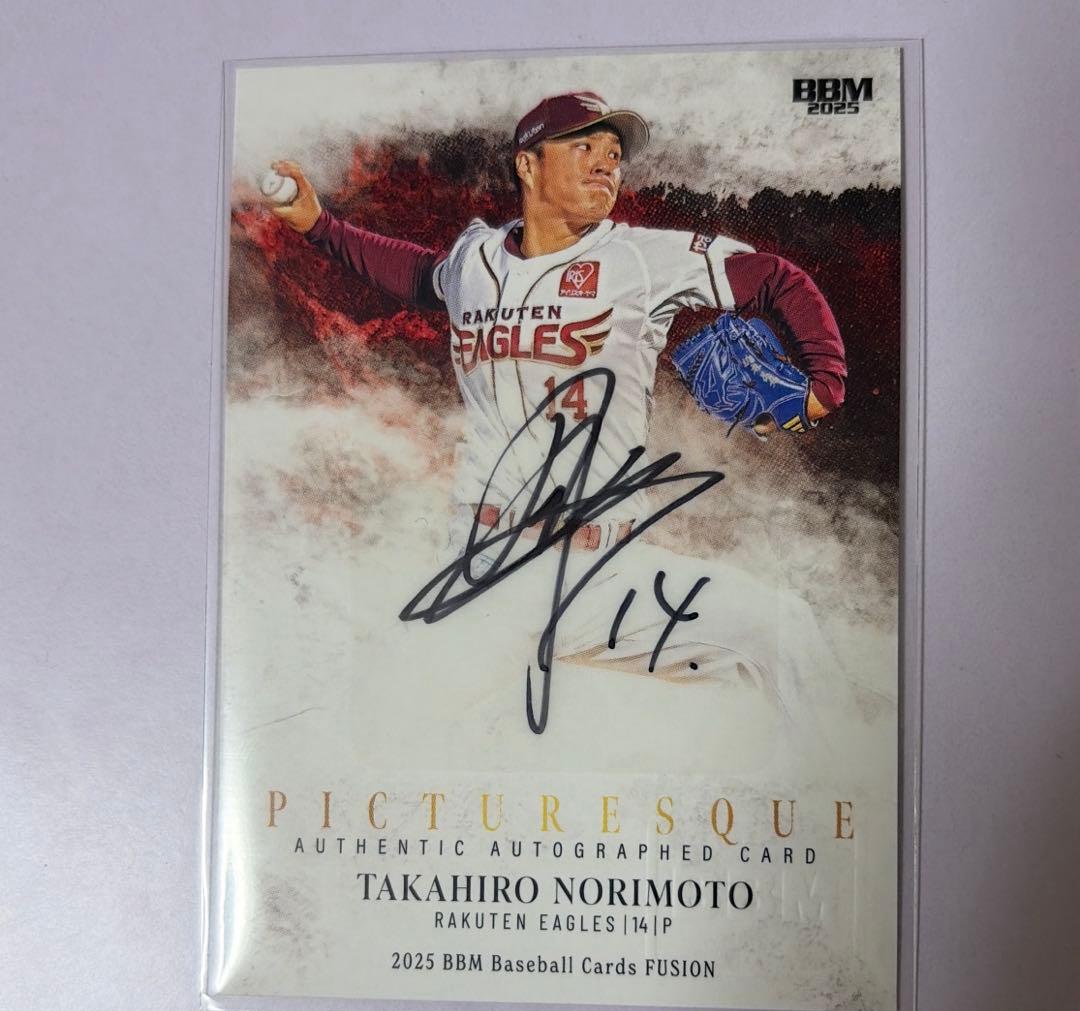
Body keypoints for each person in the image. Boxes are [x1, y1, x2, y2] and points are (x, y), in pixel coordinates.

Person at [266, 91, 854, 734]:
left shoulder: (640, 259)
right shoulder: (475, 261)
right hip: (486, 571)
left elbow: (775, 278)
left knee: (783, 629)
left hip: (605, 573)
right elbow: (416, 274)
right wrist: (318, 225)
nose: (606, 163)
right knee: (383, 729)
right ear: (528, 164)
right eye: (584, 146)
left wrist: (825, 380)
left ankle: (859, 771)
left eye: (614, 153)